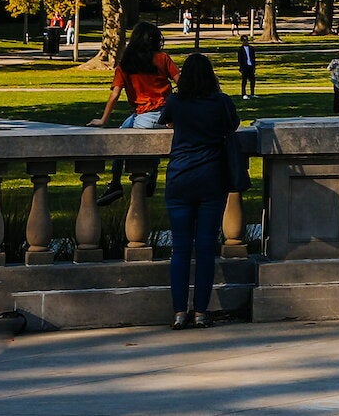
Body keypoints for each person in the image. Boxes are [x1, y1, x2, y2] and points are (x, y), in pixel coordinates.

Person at [162, 53, 242, 330]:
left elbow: (165, 120)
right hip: (211, 178)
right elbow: (233, 125)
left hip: (180, 177)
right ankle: (200, 311)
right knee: (206, 247)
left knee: (181, 248)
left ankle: (178, 312)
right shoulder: (220, 102)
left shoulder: (176, 102)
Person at [91, 22, 180, 205]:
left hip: (143, 116)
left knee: (120, 140)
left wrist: (103, 120)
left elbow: (115, 94)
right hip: (168, 116)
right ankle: (152, 173)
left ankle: (115, 183)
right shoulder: (163, 59)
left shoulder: (126, 65)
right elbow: (183, 82)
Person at [236, 35, 257, 99]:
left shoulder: (251, 48)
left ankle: (252, 94)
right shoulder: (240, 49)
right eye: (244, 40)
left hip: (250, 66)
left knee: (252, 80)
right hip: (244, 67)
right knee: (244, 81)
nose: (246, 41)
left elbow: (253, 58)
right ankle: (244, 94)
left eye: (246, 40)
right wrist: (241, 67)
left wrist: (254, 67)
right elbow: (240, 59)